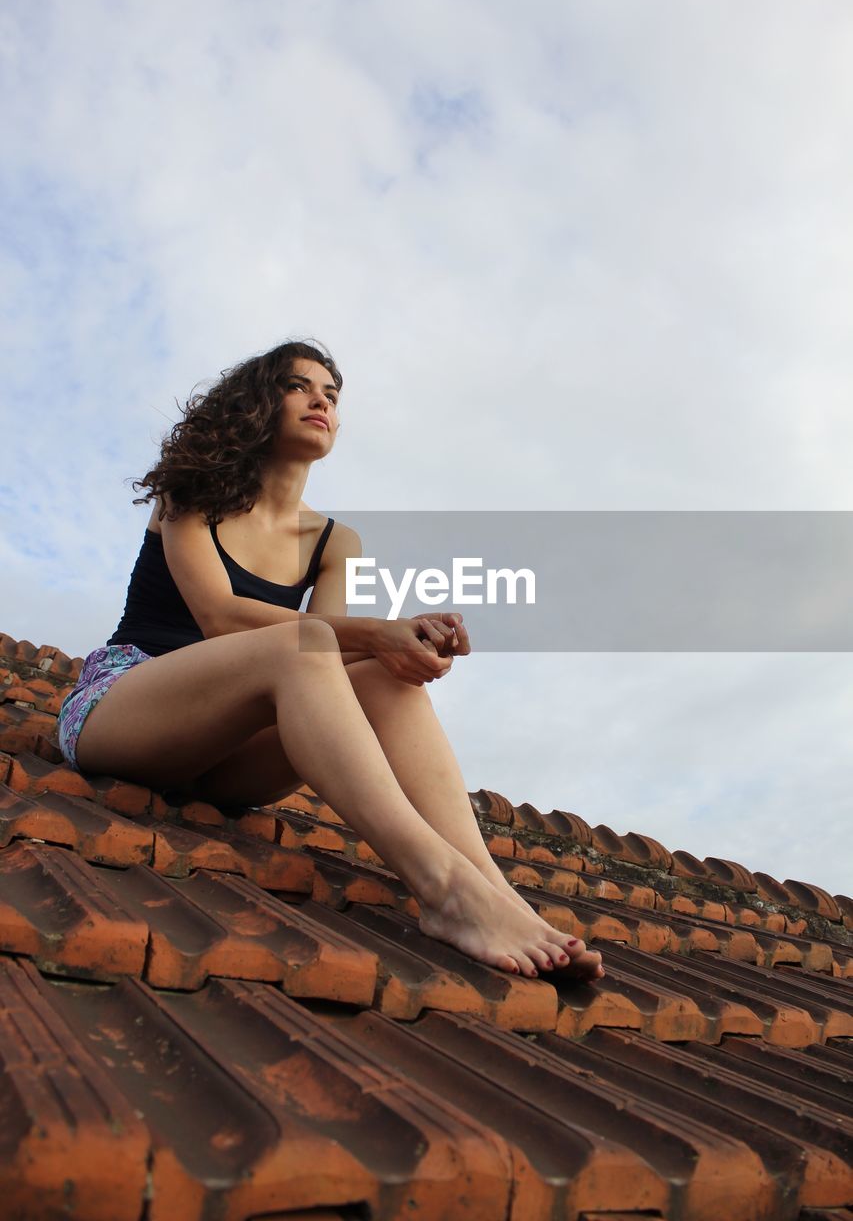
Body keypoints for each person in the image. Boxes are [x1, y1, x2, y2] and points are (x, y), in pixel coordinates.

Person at [57, 339, 604, 982]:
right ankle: (443, 887)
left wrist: (407, 647)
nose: (321, 400)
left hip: (230, 761)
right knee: (315, 645)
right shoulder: (192, 491)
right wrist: (378, 631)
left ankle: (492, 888)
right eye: (299, 386)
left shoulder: (335, 540)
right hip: (128, 711)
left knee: (381, 679)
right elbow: (221, 618)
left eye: (333, 395)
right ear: (258, 402)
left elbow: (335, 658)